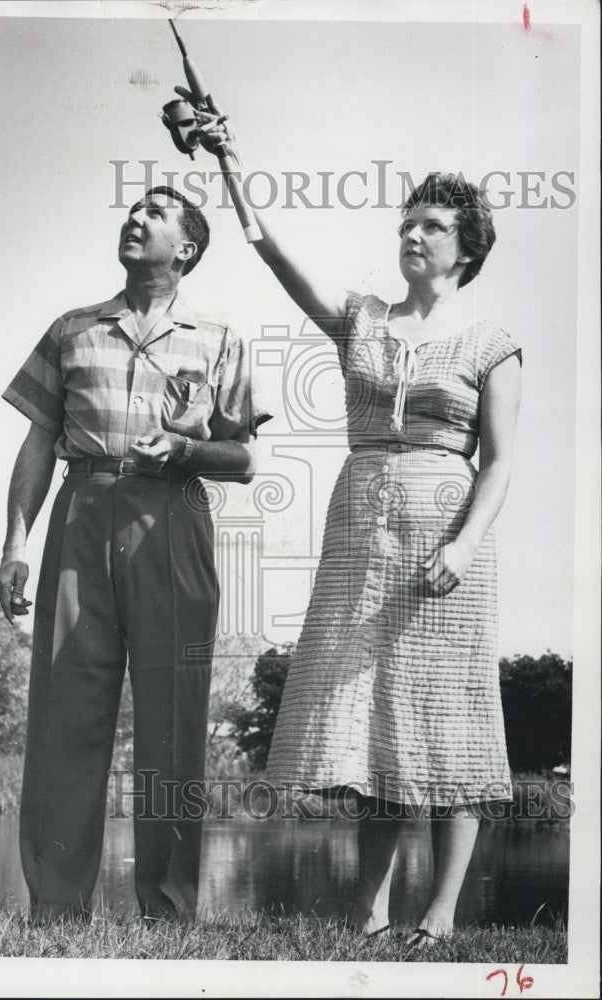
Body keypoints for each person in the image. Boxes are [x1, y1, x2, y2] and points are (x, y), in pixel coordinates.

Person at [202, 125, 521, 946]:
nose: (413, 236)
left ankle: (442, 916)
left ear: (467, 248)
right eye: (406, 223)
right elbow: (273, 253)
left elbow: (499, 463)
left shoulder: (492, 342)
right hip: (360, 525)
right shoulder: (362, 319)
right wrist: (230, 163)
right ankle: (370, 911)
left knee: (450, 718)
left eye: (432, 227)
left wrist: (461, 546)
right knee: (374, 721)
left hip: (447, 529)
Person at [0, 186, 270, 923]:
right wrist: (15, 543)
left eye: (154, 213)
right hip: (80, 512)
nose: (134, 218)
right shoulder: (72, 329)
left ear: (186, 249)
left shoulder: (218, 338)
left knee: (175, 719)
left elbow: (242, 459)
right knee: (64, 714)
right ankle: (55, 907)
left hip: (173, 514)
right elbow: (36, 444)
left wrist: (184, 447)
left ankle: (171, 909)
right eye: (130, 211)